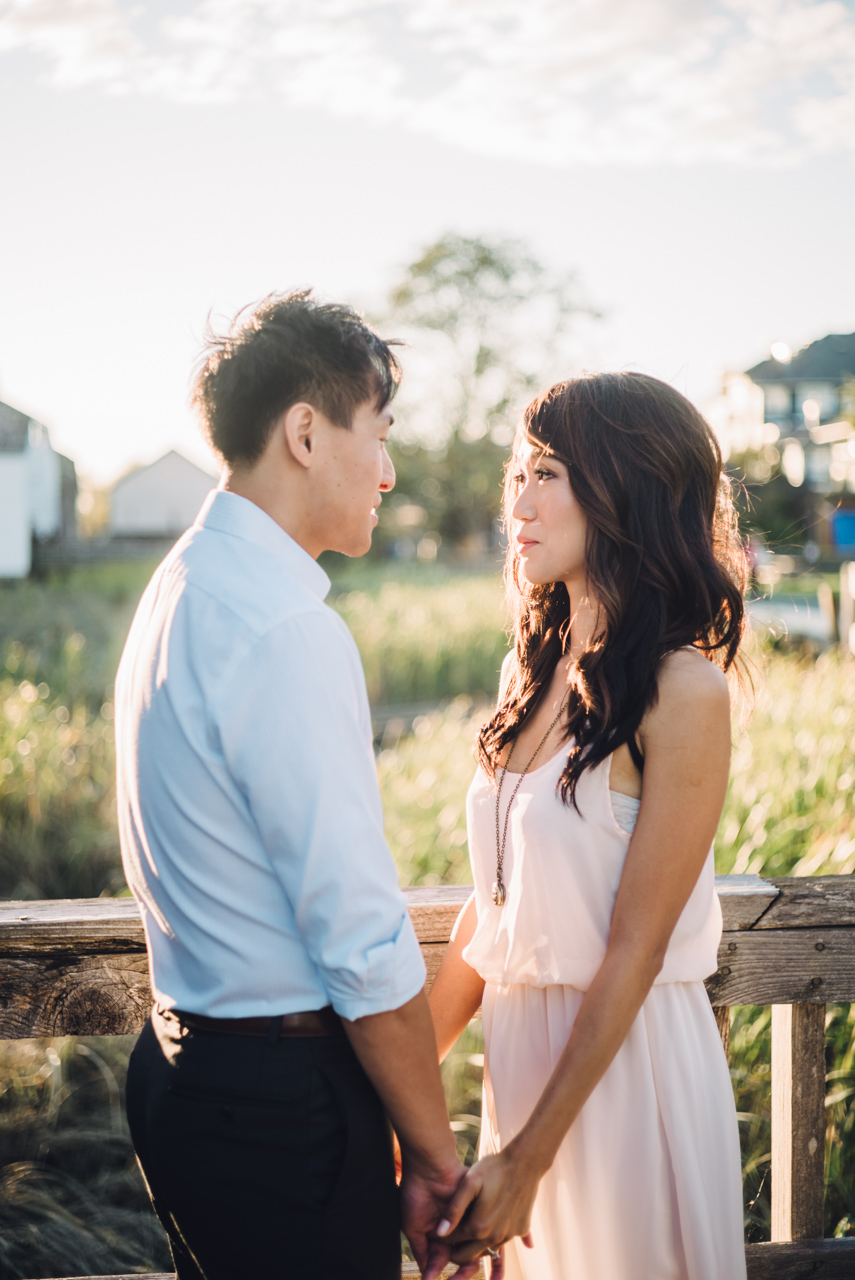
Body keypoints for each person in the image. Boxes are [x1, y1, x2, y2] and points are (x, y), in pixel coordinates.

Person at [116, 292, 472, 1280]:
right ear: (306, 432)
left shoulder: (181, 583)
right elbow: (361, 938)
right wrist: (436, 1154)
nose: (391, 472)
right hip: (277, 1109)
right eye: (382, 432)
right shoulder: (282, 623)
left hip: (186, 1069)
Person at [427, 372, 748, 1279]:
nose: (517, 503)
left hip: (622, 1082)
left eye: (549, 473)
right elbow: (490, 917)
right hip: (521, 1074)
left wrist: (531, 1157)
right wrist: (398, 1103)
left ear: (625, 491)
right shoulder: (522, 675)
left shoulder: (682, 689)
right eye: (517, 474)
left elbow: (635, 951)